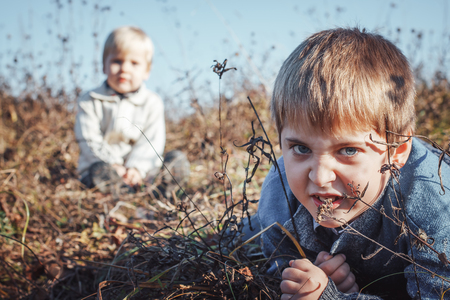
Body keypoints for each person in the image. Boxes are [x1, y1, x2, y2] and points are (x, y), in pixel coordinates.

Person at [253, 27, 450, 299]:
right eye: (301, 148)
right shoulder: (279, 199)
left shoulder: (432, 207)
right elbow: (281, 274)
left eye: (347, 149)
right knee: (246, 231)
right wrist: (309, 280)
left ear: (397, 151)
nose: (320, 177)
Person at [74, 26, 189, 196]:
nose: (124, 69)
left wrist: (136, 168)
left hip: (143, 173)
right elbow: (88, 139)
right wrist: (113, 165)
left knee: (175, 159)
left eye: (134, 63)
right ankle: (123, 196)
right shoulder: (89, 100)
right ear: (104, 65)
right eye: (117, 61)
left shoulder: (152, 102)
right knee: (99, 171)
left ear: (147, 71)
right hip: (103, 170)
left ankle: (162, 194)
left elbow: (153, 141)